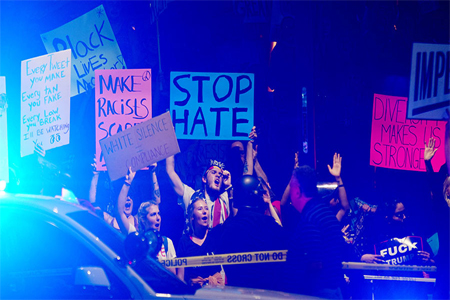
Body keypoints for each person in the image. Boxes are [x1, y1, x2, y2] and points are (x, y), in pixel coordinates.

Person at [284, 165, 346, 299]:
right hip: (333, 289)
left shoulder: (310, 218)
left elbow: (315, 264)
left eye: (291, 187)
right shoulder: (325, 212)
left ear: (297, 191)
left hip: (319, 293)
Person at [216, 175, 286, 291]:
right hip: (267, 293)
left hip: (237, 294)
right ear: (255, 197)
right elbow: (286, 242)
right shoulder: (268, 225)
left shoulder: (226, 229)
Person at [116, 166, 177, 274]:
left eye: (159, 214)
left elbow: (173, 274)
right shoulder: (136, 238)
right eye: (153, 215)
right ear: (143, 220)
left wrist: (153, 172)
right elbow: (119, 213)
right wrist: (127, 182)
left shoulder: (167, 243)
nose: (158, 218)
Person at [166, 156, 231, 228]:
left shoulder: (224, 199)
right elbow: (170, 172)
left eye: (220, 174)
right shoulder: (192, 197)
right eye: (213, 172)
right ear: (204, 179)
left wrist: (228, 186)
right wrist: (170, 148)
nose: (218, 176)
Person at [176, 196, 223, 287]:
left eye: (206, 208)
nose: (204, 211)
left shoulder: (215, 236)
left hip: (216, 292)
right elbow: (180, 277)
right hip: (195, 294)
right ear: (192, 216)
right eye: (200, 209)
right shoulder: (184, 242)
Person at [424, 136, 449, 299]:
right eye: (447, 187)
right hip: (446, 266)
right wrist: (428, 162)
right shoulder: (442, 211)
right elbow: (434, 184)